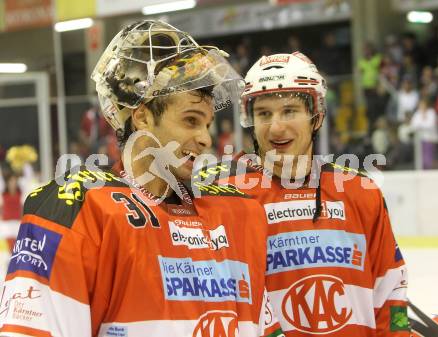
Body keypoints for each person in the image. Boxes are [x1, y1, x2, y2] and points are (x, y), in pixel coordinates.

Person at [0, 20, 283, 337]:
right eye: (191, 120)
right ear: (143, 116)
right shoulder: (78, 208)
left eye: (208, 124)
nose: (205, 139)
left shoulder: (236, 214)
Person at [215, 52, 410, 336]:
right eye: (264, 113)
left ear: (316, 118)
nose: (276, 127)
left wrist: (399, 333)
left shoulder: (359, 191)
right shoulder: (230, 197)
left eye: (290, 111)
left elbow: (394, 289)